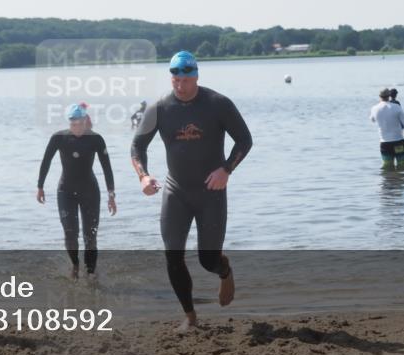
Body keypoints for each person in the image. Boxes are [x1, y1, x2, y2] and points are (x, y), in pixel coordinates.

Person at [131, 51, 253, 332]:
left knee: (208, 259)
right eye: (175, 79)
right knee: (172, 256)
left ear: (196, 76)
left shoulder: (217, 104)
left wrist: (226, 170)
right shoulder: (160, 108)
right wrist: (144, 176)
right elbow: (137, 147)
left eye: (185, 79)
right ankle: (190, 316)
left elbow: (244, 140)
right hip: (176, 191)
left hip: (211, 192)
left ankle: (225, 271)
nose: (180, 85)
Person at [38, 103, 115, 280]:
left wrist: (111, 195)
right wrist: (40, 186)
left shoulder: (96, 139)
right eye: (73, 124)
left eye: (79, 123)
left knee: (90, 234)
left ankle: (90, 271)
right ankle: (75, 265)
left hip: (90, 191)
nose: (76, 127)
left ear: (85, 121)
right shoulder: (59, 138)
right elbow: (46, 162)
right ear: (69, 122)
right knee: (70, 233)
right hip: (65, 191)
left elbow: (107, 168)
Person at [369, 87, 404, 171]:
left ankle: (389, 183)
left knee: (387, 167)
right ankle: (400, 183)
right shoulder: (396, 107)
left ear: (379, 96)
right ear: (389, 96)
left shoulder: (374, 108)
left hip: (384, 144)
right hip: (398, 142)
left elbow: (372, 119)